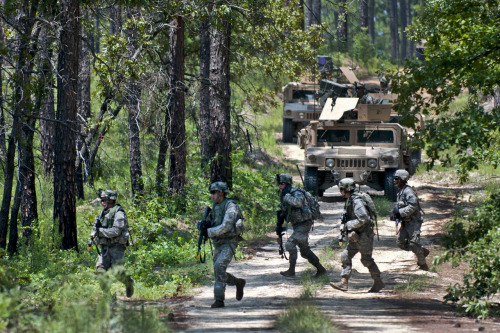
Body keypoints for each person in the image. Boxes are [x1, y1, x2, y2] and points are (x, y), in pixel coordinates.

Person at [330, 178, 384, 292]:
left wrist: (348, 225)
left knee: (366, 260)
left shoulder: (357, 201)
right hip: (356, 235)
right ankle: (344, 283)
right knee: (346, 256)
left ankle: (378, 282)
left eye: (341, 189)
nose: (340, 191)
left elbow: (363, 218)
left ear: (347, 189)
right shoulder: (350, 199)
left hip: (364, 235)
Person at [275, 173, 326, 278]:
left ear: (287, 184)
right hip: (297, 225)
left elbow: (298, 203)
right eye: (279, 184)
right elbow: (287, 209)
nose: (280, 186)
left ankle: (291, 270)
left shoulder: (296, 193)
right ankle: (321, 269)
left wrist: (286, 196)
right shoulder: (285, 194)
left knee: (290, 244)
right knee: (304, 251)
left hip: (304, 224)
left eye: (282, 184)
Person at [206, 181, 246, 308]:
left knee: (219, 266)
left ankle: (219, 300)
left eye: (214, 192)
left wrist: (210, 232)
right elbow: (212, 222)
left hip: (229, 241)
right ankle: (238, 282)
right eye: (211, 193)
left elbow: (227, 226)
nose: (212, 195)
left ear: (221, 193)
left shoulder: (230, 206)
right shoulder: (215, 206)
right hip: (218, 242)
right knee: (218, 271)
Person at [91, 190, 134, 297]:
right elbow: (97, 228)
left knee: (117, 273)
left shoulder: (119, 213)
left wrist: (99, 232)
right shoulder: (103, 213)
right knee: (100, 270)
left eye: (104, 200)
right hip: (105, 248)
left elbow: (115, 231)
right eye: (101, 200)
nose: (102, 202)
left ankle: (129, 283)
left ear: (111, 200)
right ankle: (108, 295)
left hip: (116, 248)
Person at [392, 170, 430, 270]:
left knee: (413, 244)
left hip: (414, 221)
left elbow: (412, 206)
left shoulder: (408, 191)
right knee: (400, 243)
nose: (394, 180)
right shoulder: (401, 191)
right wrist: (396, 215)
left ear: (403, 180)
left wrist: (400, 212)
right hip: (405, 222)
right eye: (394, 178)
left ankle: (423, 264)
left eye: (397, 178)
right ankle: (421, 251)